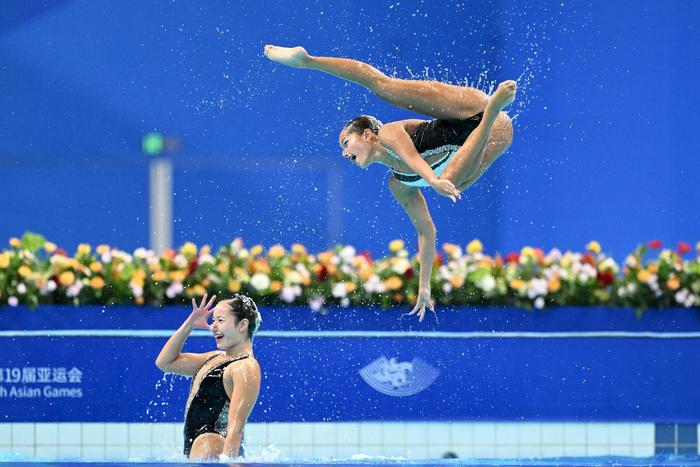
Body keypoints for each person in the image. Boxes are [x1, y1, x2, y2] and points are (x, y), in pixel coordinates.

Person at [264, 45, 516, 321]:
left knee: (384, 87)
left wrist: (432, 180)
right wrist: (424, 286)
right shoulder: (399, 185)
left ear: (368, 135)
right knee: (457, 185)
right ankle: (493, 113)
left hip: (470, 110)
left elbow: (411, 158)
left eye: (347, 143)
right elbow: (427, 231)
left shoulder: (388, 132)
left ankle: (307, 60)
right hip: (496, 130)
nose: (345, 154)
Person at [155, 293, 262, 460]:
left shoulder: (245, 366)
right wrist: (189, 325)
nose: (213, 326)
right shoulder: (214, 358)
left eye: (220, 320)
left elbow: (235, 427)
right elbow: (165, 363)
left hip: (212, 446)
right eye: (213, 320)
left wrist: (229, 461)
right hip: (200, 447)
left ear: (242, 325)